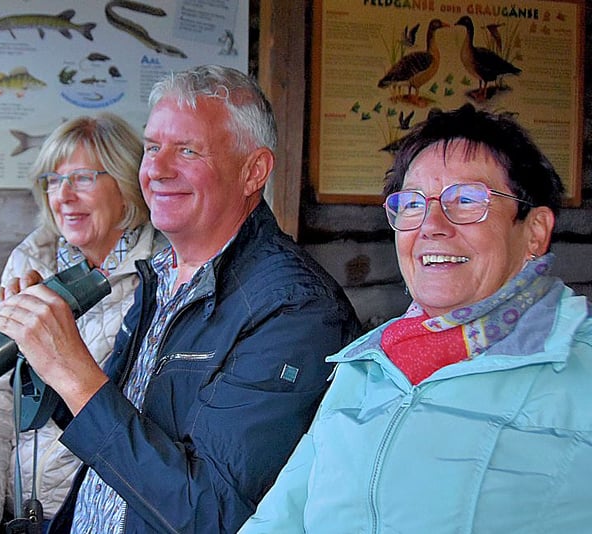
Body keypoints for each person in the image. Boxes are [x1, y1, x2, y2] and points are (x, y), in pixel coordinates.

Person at [0, 65, 361, 533]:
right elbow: (118, 427)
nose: (157, 171)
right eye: (152, 148)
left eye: (187, 150)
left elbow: (211, 514)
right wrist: (39, 343)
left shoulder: (296, 309)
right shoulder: (162, 274)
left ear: (253, 171)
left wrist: (72, 371)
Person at [240, 104, 592, 533]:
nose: (431, 225)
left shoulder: (578, 365)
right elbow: (281, 517)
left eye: (466, 200)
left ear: (534, 231)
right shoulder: (369, 363)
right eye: (411, 204)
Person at [0, 113, 164, 534]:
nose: (63, 196)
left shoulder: (162, 273)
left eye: (82, 178)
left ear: (126, 184)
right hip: (18, 510)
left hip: (99, 517)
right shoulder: (31, 261)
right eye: (52, 180)